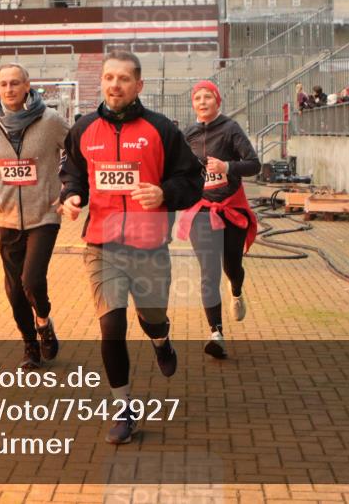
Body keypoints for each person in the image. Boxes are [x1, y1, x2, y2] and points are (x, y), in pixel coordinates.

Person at [59, 49, 204, 444]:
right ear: (101, 82)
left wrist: (164, 192)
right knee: (111, 327)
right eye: (108, 77)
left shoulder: (162, 130)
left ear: (138, 85)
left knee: (152, 315)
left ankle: (161, 338)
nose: (114, 85)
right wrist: (72, 196)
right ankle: (123, 408)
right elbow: (73, 171)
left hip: (149, 245)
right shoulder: (84, 128)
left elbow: (193, 179)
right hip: (101, 245)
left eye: (123, 79)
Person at [0, 63, 69, 369]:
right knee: (14, 292)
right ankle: (30, 345)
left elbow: (77, 152)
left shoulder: (50, 121)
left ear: (27, 86)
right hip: (6, 219)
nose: (8, 89)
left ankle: (44, 322)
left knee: (31, 281)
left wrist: (67, 189)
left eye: (14, 83)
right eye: (3, 84)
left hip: (45, 215)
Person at [177, 81, 260, 359]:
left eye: (208, 97)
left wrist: (227, 167)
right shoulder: (187, 134)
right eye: (197, 98)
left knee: (231, 266)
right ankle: (216, 333)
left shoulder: (230, 129)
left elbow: (254, 164)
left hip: (230, 208)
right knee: (208, 272)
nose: (202, 102)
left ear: (217, 101)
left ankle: (236, 290)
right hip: (201, 210)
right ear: (193, 104)